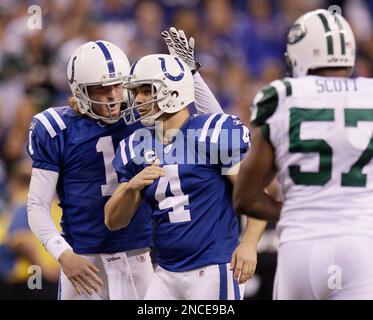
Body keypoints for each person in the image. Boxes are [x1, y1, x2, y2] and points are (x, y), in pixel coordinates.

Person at [27, 30, 224, 300]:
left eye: (118, 85)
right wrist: (63, 254)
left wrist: (191, 75)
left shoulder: (142, 117)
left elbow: (217, 128)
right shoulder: (55, 128)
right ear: (79, 91)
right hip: (83, 258)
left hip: (137, 255)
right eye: (101, 88)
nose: (113, 95)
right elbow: (37, 205)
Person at [233, 9, 373, 299]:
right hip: (358, 244)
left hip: (300, 244)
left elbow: (245, 197)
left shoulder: (282, 95)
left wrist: (297, 211)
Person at [104, 53, 267, 300]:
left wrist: (249, 244)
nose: (138, 99)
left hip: (213, 268)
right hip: (166, 272)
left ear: (174, 91)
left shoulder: (209, 133)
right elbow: (113, 221)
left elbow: (255, 195)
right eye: (136, 92)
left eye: (147, 90)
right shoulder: (137, 144)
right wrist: (130, 188)